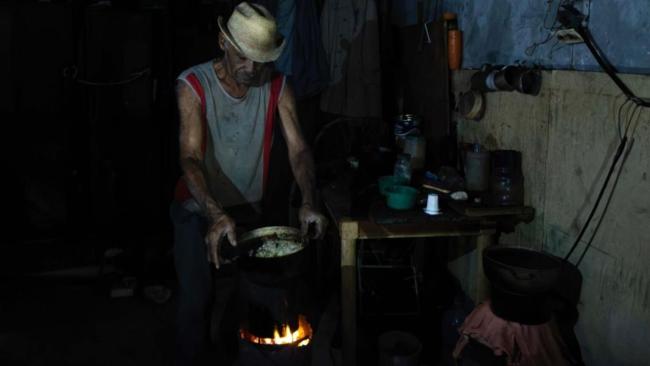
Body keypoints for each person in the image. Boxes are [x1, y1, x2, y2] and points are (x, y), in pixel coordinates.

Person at [169, 2, 327, 364]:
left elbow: (299, 151)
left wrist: (308, 199)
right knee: (197, 298)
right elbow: (190, 157)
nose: (251, 69)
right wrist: (214, 213)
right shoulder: (192, 84)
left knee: (255, 297)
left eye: (260, 59)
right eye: (243, 56)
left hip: (248, 209)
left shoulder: (277, 85)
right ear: (223, 40)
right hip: (198, 205)